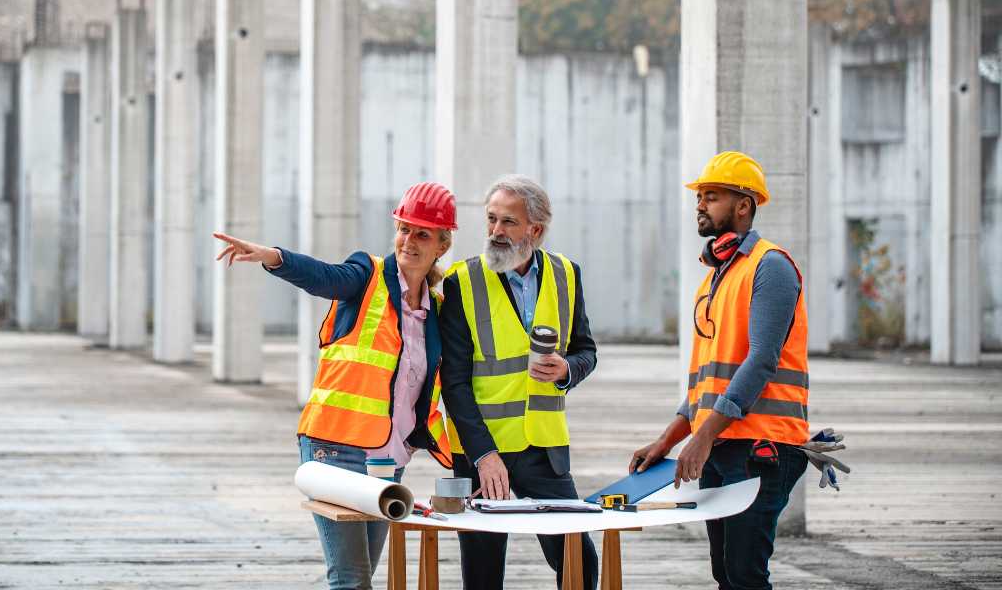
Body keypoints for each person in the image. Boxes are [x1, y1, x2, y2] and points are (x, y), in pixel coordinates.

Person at [213, 181, 457, 590]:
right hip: (334, 448)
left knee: (364, 572)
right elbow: (325, 277)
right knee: (351, 578)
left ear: (441, 245)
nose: (408, 241)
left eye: (422, 234)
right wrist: (275, 258)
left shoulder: (437, 310)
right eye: (403, 229)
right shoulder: (367, 276)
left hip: (388, 460)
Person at [629, 151, 809, 590]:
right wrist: (669, 438)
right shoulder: (717, 276)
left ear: (743, 205)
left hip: (763, 446)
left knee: (746, 576)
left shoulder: (771, 267)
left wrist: (701, 437)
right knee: (726, 574)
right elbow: (707, 379)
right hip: (723, 444)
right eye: (700, 197)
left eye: (711, 196)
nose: (700, 205)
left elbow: (763, 360)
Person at [438, 174, 599, 590]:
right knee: (483, 576)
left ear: (535, 230)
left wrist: (567, 370)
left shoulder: (567, 274)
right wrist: (483, 455)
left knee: (580, 564)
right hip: (483, 454)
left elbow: (586, 350)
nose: (495, 231)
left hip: (545, 451)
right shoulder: (462, 282)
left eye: (508, 222)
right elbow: (453, 383)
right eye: (491, 219)